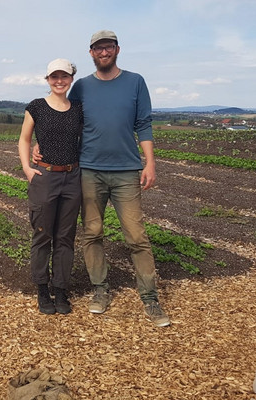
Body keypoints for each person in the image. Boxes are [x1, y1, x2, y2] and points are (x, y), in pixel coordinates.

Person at [34, 30, 170, 327]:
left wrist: (150, 163)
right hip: (90, 171)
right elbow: (65, 118)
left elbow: (144, 124)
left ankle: (150, 298)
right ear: (91, 53)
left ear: (117, 49)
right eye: (98, 48)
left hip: (126, 171)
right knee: (92, 233)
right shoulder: (81, 86)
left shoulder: (135, 82)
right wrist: (39, 142)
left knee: (136, 236)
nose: (104, 52)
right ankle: (100, 290)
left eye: (108, 47)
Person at [18, 58, 83, 315]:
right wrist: (27, 168)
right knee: (43, 234)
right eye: (54, 76)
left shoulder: (78, 108)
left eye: (64, 76)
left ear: (71, 79)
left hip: (72, 177)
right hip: (45, 176)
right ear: (47, 79)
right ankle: (42, 289)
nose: (59, 81)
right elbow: (24, 139)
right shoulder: (36, 107)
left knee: (65, 237)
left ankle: (61, 289)